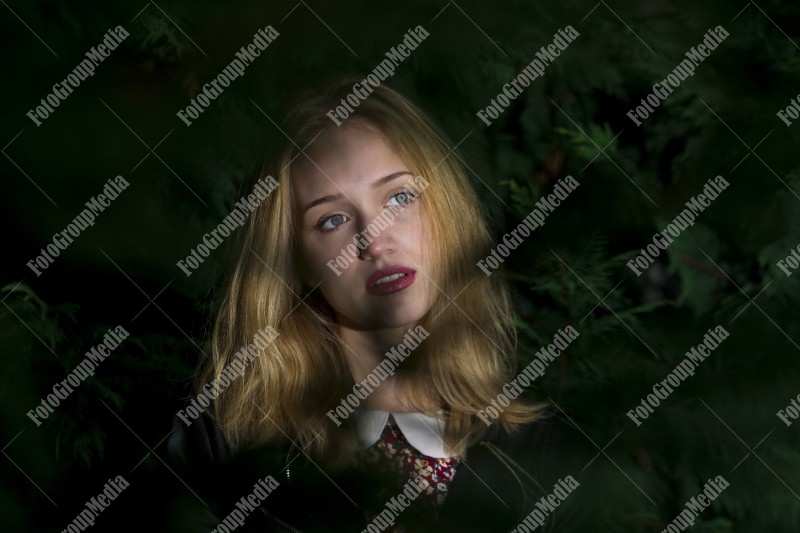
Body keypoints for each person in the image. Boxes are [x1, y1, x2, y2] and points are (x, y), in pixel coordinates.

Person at [167, 77, 604, 532]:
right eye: (331, 219)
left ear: (445, 211)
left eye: (400, 197)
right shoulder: (222, 444)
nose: (374, 241)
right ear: (298, 262)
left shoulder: (551, 458)